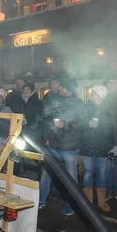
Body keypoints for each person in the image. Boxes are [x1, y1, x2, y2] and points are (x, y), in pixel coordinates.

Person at [40, 78, 84, 216]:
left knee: (70, 178)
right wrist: (46, 137)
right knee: (46, 174)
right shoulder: (54, 100)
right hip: (52, 144)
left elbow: (82, 124)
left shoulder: (78, 103)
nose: (59, 88)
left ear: (70, 88)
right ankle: (41, 200)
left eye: (63, 86)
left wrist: (65, 124)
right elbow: (47, 119)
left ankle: (72, 204)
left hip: (69, 146)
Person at [80, 85, 117, 213]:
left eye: (93, 92)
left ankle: (101, 201)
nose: (91, 94)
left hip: (102, 146)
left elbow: (113, 128)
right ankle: (88, 201)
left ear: (99, 95)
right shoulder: (85, 108)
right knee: (88, 172)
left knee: (101, 174)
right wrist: (87, 124)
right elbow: (78, 124)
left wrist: (115, 145)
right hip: (87, 145)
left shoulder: (107, 110)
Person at [102, 77, 117, 203]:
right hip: (105, 138)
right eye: (111, 82)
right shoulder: (103, 98)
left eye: (115, 82)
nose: (114, 85)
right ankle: (107, 191)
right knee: (105, 167)